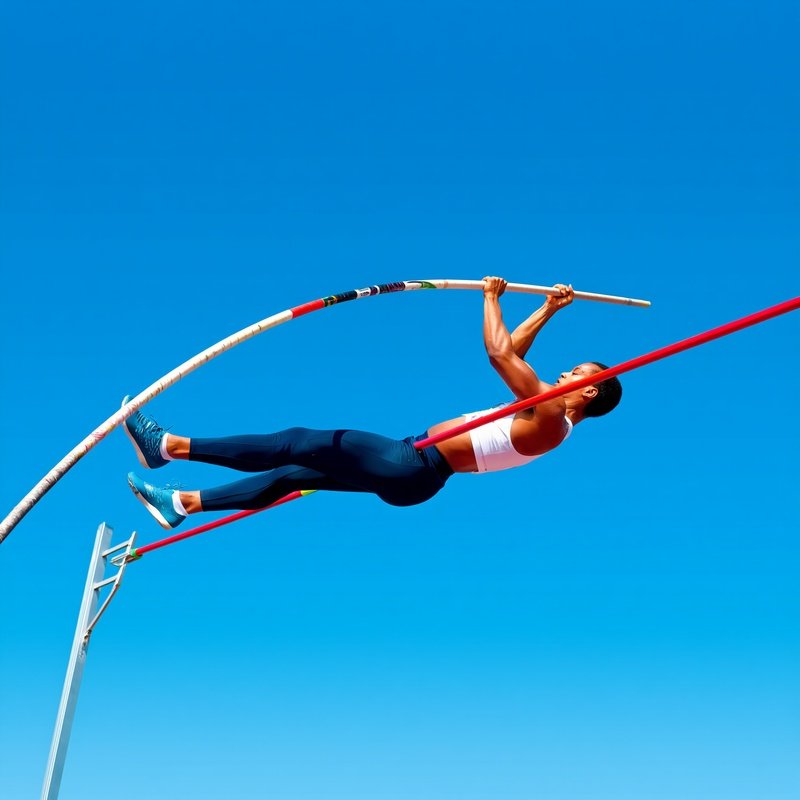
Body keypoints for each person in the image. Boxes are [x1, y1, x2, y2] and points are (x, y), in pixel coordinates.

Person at [125, 278, 622, 529]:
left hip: (415, 463)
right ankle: (183, 504)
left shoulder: (551, 417)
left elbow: (499, 354)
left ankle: (168, 447)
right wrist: (548, 308)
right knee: (293, 474)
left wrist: (491, 298)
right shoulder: (548, 416)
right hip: (414, 469)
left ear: (590, 391)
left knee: (299, 440)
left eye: (575, 373)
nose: (564, 374)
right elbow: (516, 354)